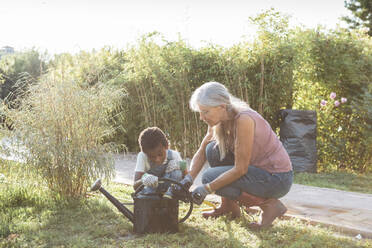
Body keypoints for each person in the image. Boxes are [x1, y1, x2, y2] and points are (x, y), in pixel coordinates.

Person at [178, 82, 293, 229]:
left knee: (209, 177)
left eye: (205, 112)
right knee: (212, 150)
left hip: (277, 178)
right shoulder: (219, 119)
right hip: (258, 171)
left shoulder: (244, 119)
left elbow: (240, 169)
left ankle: (270, 206)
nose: (201, 117)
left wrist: (206, 189)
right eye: (200, 112)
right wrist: (188, 179)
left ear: (222, 106)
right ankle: (228, 207)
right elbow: (202, 151)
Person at [133, 126, 187, 199]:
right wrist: (143, 180)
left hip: (170, 191)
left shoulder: (173, 155)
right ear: (145, 153)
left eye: (160, 154)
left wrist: (181, 166)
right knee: (145, 196)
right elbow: (135, 186)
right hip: (151, 192)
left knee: (177, 172)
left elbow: (187, 180)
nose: (157, 159)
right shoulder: (142, 156)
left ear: (167, 146)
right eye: (152, 157)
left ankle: (170, 195)